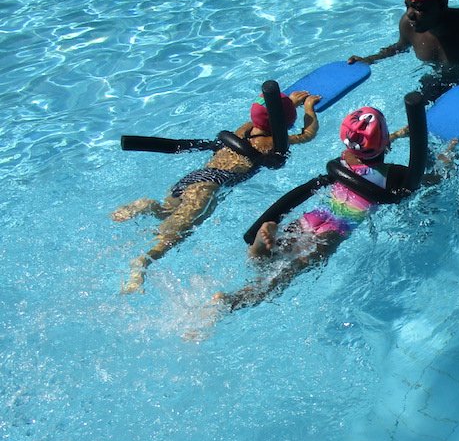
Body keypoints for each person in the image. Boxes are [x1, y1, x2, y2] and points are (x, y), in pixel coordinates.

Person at [213, 102, 430, 311]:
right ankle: (232, 302)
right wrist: (444, 158)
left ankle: (258, 248)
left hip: (313, 216)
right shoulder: (393, 174)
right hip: (336, 229)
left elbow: (365, 150)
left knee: (274, 255)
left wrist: (399, 135)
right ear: (384, 143)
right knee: (291, 270)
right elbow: (423, 179)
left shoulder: (344, 159)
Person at [112, 89, 322, 294]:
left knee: (167, 212)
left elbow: (267, 119)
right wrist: (309, 108)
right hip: (210, 185)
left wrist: (290, 104)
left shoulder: (245, 128)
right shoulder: (269, 143)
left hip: (193, 178)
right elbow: (307, 135)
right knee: (176, 234)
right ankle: (142, 262)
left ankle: (148, 206)